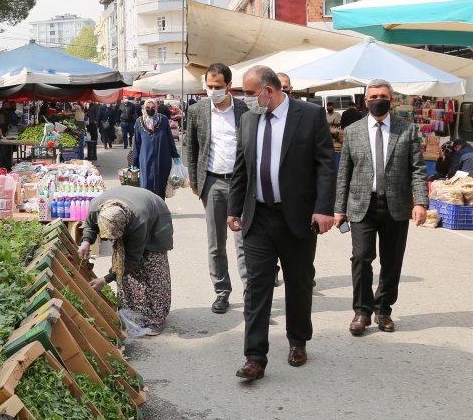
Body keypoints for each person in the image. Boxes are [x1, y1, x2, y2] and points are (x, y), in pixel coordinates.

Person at [227, 65, 335, 381]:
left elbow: (326, 165)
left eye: (248, 93)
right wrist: (234, 208)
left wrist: (323, 208)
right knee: (256, 287)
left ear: (269, 91)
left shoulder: (310, 115)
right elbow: (241, 166)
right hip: (258, 217)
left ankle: (298, 340)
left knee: (299, 283)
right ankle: (255, 357)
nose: (244, 99)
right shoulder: (248, 119)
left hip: (298, 217)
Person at [335, 79, 429, 336]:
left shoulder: (407, 130)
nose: (379, 99)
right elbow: (344, 173)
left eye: (383, 95)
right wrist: (339, 209)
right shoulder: (353, 131)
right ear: (366, 101)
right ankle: (362, 311)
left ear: (391, 99)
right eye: (374, 95)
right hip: (362, 205)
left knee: (392, 260)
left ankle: (384, 309)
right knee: (361, 258)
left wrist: (420, 201)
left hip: (396, 205)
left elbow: (418, 170)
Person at [185, 63, 249, 314]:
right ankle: (222, 292)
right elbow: (191, 147)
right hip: (211, 182)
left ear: (229, 86)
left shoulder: (244, 109)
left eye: (218, 87)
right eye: (209, 87)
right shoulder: (197, 110)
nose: (213, 91)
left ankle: (250, 293)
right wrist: (194, 180)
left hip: (240, 182)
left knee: (243, 240)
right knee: (216, 241)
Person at [79, 186, 174, 335]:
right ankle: (135, 311)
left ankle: (156, 318)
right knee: (127, 271)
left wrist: (106, 279)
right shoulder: (96, 208)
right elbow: (90, 226)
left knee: (153, 268)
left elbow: (131, 259)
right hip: (134, 211)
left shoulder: (138, 221)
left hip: (157, 219)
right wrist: (85, 242)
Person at [133, 99, 181, 199]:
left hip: (162, 157)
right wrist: (135, 162)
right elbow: (137, 143)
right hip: (146, 158)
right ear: (144, 108)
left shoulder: (163, 119)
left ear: (156, 108)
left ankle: (160, 208)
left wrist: (175, 155)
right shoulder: (139, 121)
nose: (150, 109)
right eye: (148, 108)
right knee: (146, 184)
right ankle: (149, 208)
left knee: (161, 185)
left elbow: (169, 138)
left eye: (153, 107)